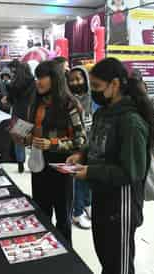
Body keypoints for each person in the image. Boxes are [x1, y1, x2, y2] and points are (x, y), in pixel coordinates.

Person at [66, 58, 154, 274]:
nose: (94, 91)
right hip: (101, 194)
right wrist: (82, 155)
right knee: (106, 257)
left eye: (98, 86)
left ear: (115, 85)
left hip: (122, 203)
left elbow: (131, 172)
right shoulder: (103, 113)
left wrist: (90, 171)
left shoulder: (131, 121)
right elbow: (96, 145)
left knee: (119, 265)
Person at [25, 60, 87, 245]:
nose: (38, 81)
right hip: (39, 167)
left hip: (62, 169)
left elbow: (81, 141)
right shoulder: (36, 103)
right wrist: (25, 138)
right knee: (42, 217)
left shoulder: (70, 105)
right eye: (37, 77)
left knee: (62, 220)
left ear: (55, 78)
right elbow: (30, 131)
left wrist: (52, 144)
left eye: (43, 77)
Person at [68, 66, 93, 230]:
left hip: (92, 146)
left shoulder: (93, 98)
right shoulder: (69, 101)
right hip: (75, 147)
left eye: (79, 78)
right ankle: (76, 213)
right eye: (72, 80)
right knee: (77, 179)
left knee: (88, 178)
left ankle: (87, 205)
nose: (76, 82)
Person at [8, 61, 36, 173]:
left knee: (18, 141)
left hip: (18, 113)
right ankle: (35, 163)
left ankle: (20, 164)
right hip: (31, 112)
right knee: (34, 140)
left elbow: (10, 100)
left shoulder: (13, 84)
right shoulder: (34, 83)